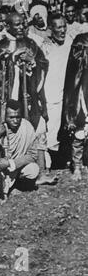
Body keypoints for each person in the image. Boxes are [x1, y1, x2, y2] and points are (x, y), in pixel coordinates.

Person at [0, 12, 50, 185]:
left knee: (37, 131)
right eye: (16, 25)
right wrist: (11, 59)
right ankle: (9, 172)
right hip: (10, 98)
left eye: (22, 24)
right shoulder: (1, 46)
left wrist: (32, 61)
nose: (20, 28)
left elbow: (44, 63)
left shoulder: (31, 43)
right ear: (7, 26)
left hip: (29, 97)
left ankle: (40, 172)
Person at [0, 100, 40, 197]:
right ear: (4, 116)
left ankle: (16, 185)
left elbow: (33, 155)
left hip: (16, 170)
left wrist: (11, 163)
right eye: (11, 117)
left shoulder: (26, 127)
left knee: (33, 170)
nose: (15, 121)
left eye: (18, 117)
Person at [40, 13, 72, 172]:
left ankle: (65, 158)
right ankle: (47, 164)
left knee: (65, 127)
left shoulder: (71, 43)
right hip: (50, 95)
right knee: (50, 129)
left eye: (64, 26)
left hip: (67, 94)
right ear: (50, 29)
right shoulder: (44, 47)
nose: (62, 30)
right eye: (58, 27)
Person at [62, 31, 88, 180]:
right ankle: (76, 165)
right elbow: (74, 75)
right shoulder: (81, 41)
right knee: (79, 134)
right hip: (81, 94)